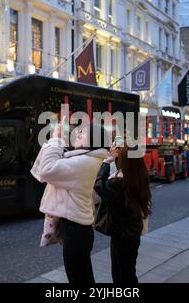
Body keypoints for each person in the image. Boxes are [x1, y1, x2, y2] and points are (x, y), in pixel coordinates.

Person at [32, 119, 109, 284]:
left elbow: (46, 170)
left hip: (76, 231)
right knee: (82, 278)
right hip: (77, 229)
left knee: (80, 281)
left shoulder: (84, 162)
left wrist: (55, 140)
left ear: (94, 141)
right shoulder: (85, 158)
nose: (78, 134)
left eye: (83, 133)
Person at [94, 145, 152, 284]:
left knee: (122, 275)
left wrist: (107, 162)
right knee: (127, 272)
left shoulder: (118, 184)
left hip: (121, 235)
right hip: (132, 233)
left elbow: (99, 185)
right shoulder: (139, 178)